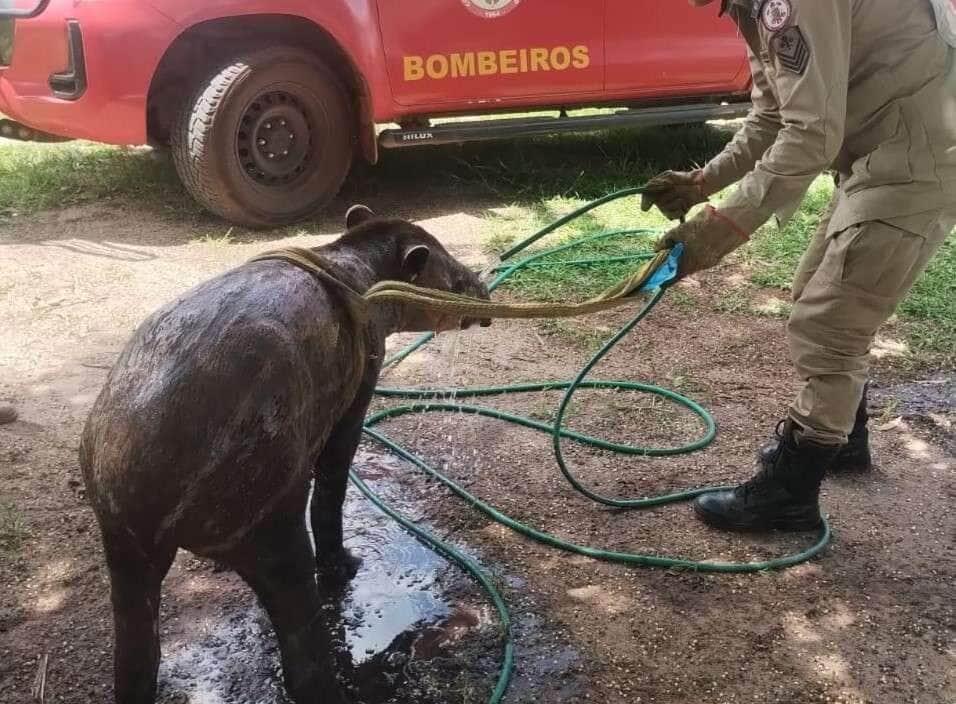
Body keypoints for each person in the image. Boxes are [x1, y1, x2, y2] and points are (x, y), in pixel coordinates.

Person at [640, 0, 956, 532]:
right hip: (884, 150)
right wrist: (703, 183)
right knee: (815, 291)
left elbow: (811, 136)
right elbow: (772, 113)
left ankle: (790, 492)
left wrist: (713, 233)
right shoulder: (749, 4)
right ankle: (842, 441)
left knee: (828, 321)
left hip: (923, 152)